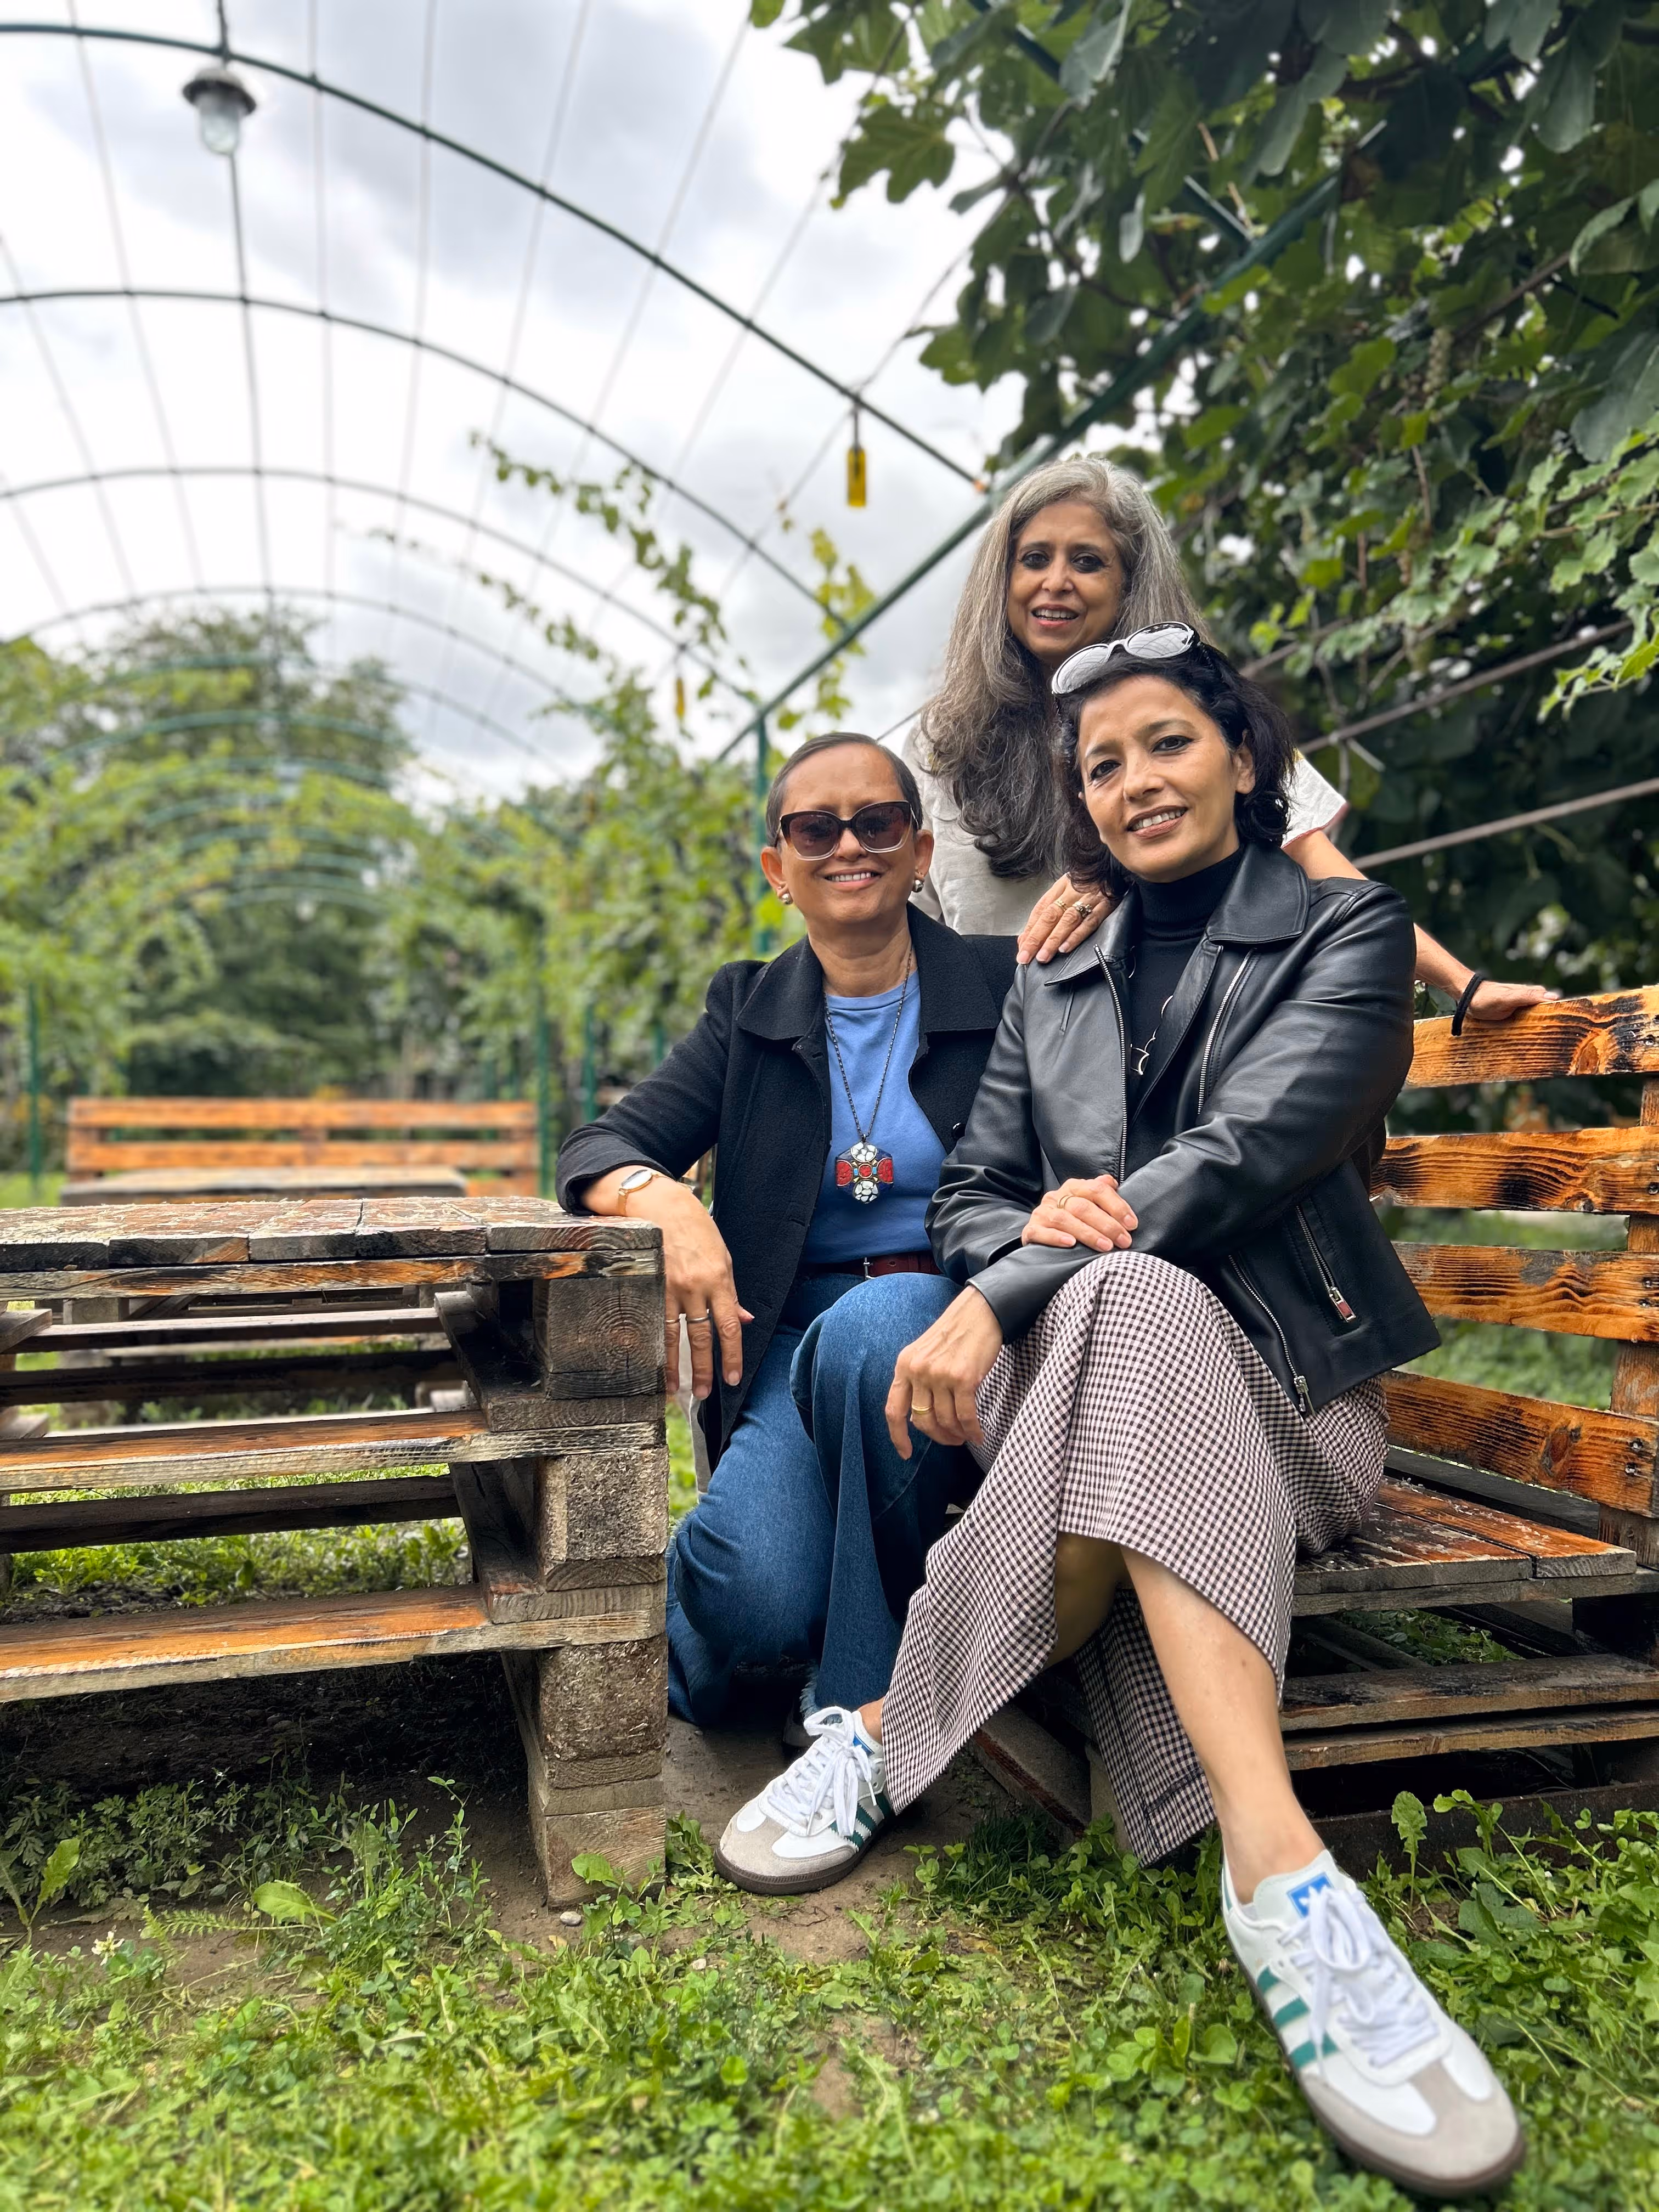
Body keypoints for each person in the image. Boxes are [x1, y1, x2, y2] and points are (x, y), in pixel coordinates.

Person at [716, 630, 1524, 2199]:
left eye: (1169, 743)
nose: (1139, 780)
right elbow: (974, 1188)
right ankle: (1284, 1880)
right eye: (1105, 764)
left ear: (1240, 756)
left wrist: (1014, 1285)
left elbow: (1245, 1151)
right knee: (1116, 1303)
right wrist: (1021, 1243)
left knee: (1132, 1293)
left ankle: (901, 1728)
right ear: (1081, 804)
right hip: (1071, 1404)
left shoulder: (1349, 935)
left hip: (1292, 1392)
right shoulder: (1057, 969)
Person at [555, 733, 1016, 1736]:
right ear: (778, 867)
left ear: (919, 849)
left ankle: (852, 1707)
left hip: (956, 1325)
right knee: (750, 1597)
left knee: (881, 1320)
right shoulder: (746, 1009)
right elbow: (600, 1142)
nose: (846, 844)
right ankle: (745, 1623)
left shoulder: (1001, 984)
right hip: (786, 1340)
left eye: (875, 822)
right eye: (814, 828)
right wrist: (668, 1201)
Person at [907, 450, 1549, 1026]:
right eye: (1034, 559)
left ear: (1128, 584)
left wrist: (1461, 985)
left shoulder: (1206, 708)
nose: (1056, 582)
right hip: (991, 1058)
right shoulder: (941, 743)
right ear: (1001, 581)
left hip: (1159, 1048)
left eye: (1088, 562)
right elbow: (911, 936)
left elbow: (1325, 874)